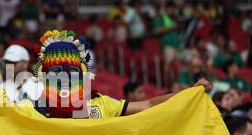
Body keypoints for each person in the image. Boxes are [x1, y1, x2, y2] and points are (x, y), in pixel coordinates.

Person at [20, 30, 211, 119]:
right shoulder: (28, 111)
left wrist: (188, 93)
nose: (64, 78)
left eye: (72, 72)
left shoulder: (101, 105)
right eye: (55, 72)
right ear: (43, 76)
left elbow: (150, 104)